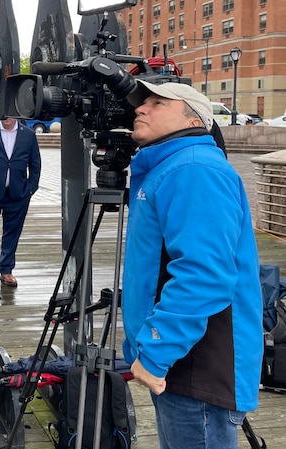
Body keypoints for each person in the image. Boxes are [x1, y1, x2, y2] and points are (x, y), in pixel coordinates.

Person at [122, 81, 262, 449]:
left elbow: (205, 275)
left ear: (193, 119)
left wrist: (155, 349)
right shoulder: (172, 167)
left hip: (196, 362)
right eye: (142, 102)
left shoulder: (194, 169)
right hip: (183, 358)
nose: (140, 108)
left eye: (156, 102)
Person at [0, 117, 41, 287]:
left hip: (18, 194)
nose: (6, 119)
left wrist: (30, 189)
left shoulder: (29, 135)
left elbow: (35, 164)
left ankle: (6, 270)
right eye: (3, 115)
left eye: (9, 115)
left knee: (12, 233)